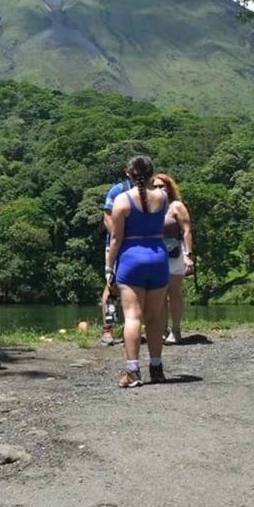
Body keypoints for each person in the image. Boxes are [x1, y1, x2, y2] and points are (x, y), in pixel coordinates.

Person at [105, 155, 170, 387]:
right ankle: (156, 367)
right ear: (152, 173)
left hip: (132, 258)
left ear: (128, 174)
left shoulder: (122, 201)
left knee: (133, 316)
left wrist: (109, 267)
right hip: (158, 257)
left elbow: (115, 238)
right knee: (154, 318)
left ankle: (133, 371)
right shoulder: (163, 197)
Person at [154, 173, 195, 344]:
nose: (158, 190)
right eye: (154, 186)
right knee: (159, 294)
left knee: (174, 293)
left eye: (161, 186)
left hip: (175, 253)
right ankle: (162, 330)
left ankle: (176, 330)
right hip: (155, 254)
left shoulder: (176, 206)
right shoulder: (150, 207)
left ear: (169, 188)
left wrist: (189, 255)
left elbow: (186, 230)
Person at [98, 176, 130, 346]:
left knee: (135, 287)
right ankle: (107, 329)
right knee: (112, 286)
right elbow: (107, 218)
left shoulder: (149, 191)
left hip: (137, 247)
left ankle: (130, 330)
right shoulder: (117, 190)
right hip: (116, 245)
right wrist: (121, 238)